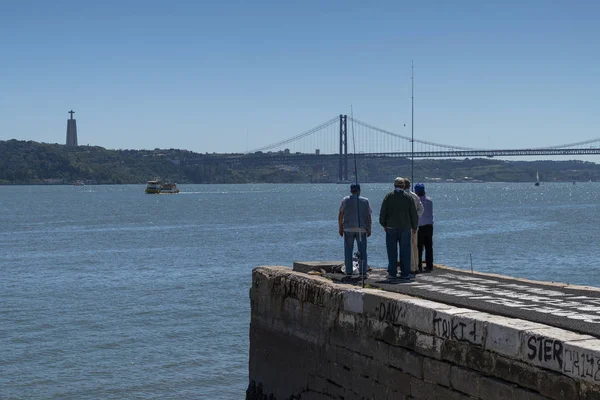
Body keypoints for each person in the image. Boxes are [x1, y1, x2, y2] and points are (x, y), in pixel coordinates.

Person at [379, 177, 418, 280]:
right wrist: (414, 226)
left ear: (394, 185)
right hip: (405, 228)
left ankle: (392, 273)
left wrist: (384, 224)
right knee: (405, 251)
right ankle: (405, 273)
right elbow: (413, 213)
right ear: (403, 186)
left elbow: (383, 212)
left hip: (391, 227)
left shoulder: (388, 197)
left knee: (391, 251)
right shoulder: (408, 197)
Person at [338, 183, 372, 276]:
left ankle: (348, 271)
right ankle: (363, 270)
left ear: (351, 191)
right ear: (359, 191)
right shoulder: (365, 201)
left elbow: (341, 214)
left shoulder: (345, 200)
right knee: (362, 250)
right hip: (362, 229)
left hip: (348, 228)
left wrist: (340, 227)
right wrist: (369, 228)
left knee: (348, 250)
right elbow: (369, 216)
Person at [404, 178, 424, 274]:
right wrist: (415, 217)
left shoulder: (403, 196)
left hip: (406, 224)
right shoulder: (415, 196)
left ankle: (411, 267)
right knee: (414, 246)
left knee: (409, 246)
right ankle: (416, 266)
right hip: (415, 224)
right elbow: (421, 209)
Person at [415, 183, 434, 272]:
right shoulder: (429, 200)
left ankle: (419, 265)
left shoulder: (417, 201)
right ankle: (429, 265)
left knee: (419, 247)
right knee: (429, 247)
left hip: (420, 227)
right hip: (429, 226)